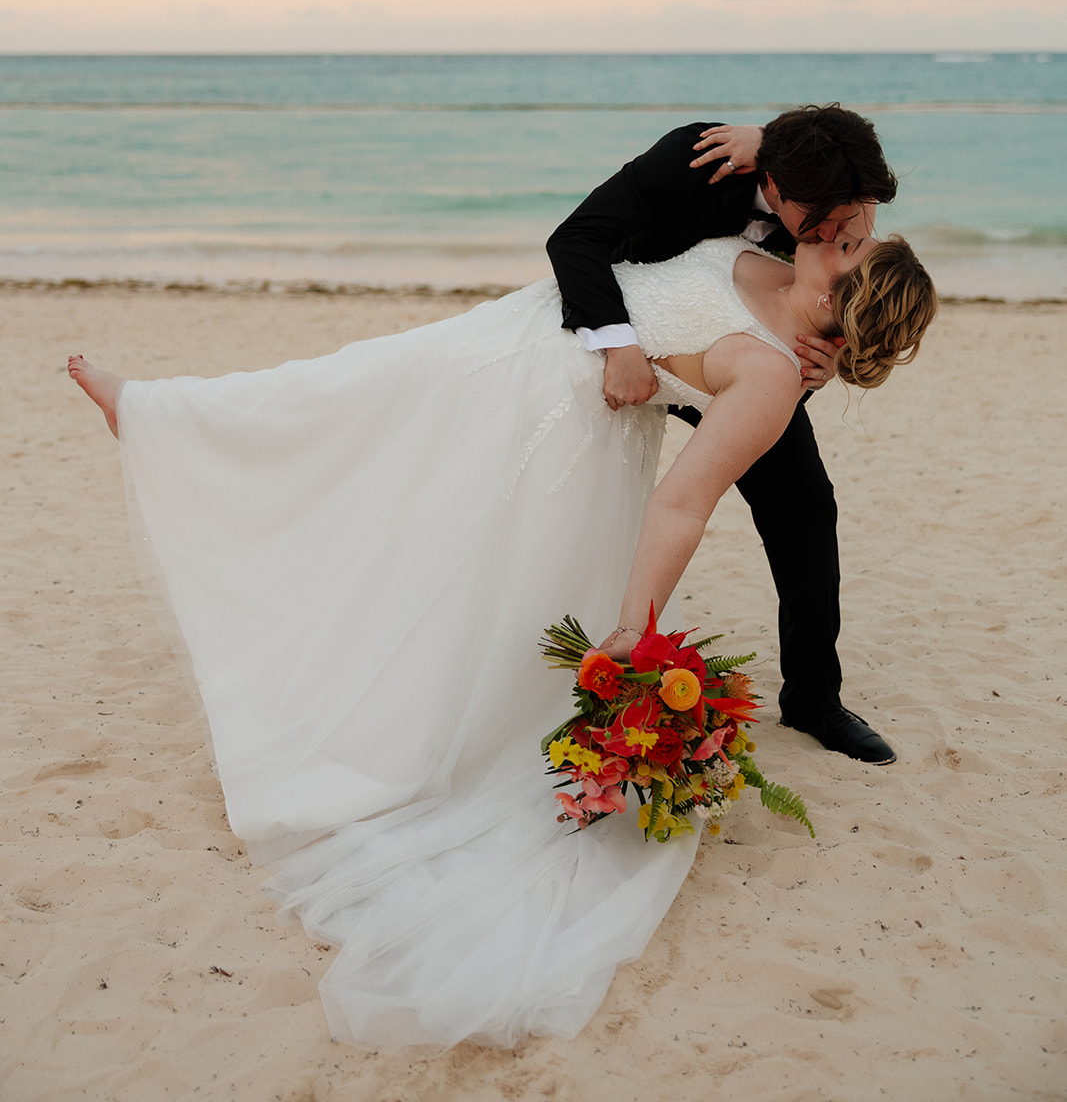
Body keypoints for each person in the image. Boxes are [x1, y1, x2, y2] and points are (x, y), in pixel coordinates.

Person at [68, 226, 934, 1051]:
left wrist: (634, 630)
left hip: (548, 411)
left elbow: (683, 501)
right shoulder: (771, 255)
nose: (840, 230)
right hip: (514, 336)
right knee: (351, 390)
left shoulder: (772, 378)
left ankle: (158, 417)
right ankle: (166, 418)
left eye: (852, 246)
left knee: (381, 454)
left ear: (835, 302)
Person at [546, 103, 902, 763]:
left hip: (737, 359)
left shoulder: (836, 192)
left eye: (851, 216)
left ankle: (813, 699)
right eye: (822, 221)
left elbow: (857, 296)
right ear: (778, 186)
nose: (837, 231)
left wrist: (835, 356)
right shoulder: (697, 161)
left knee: (804, 507)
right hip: (626, 338)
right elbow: (574, 241)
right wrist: (619, 347)